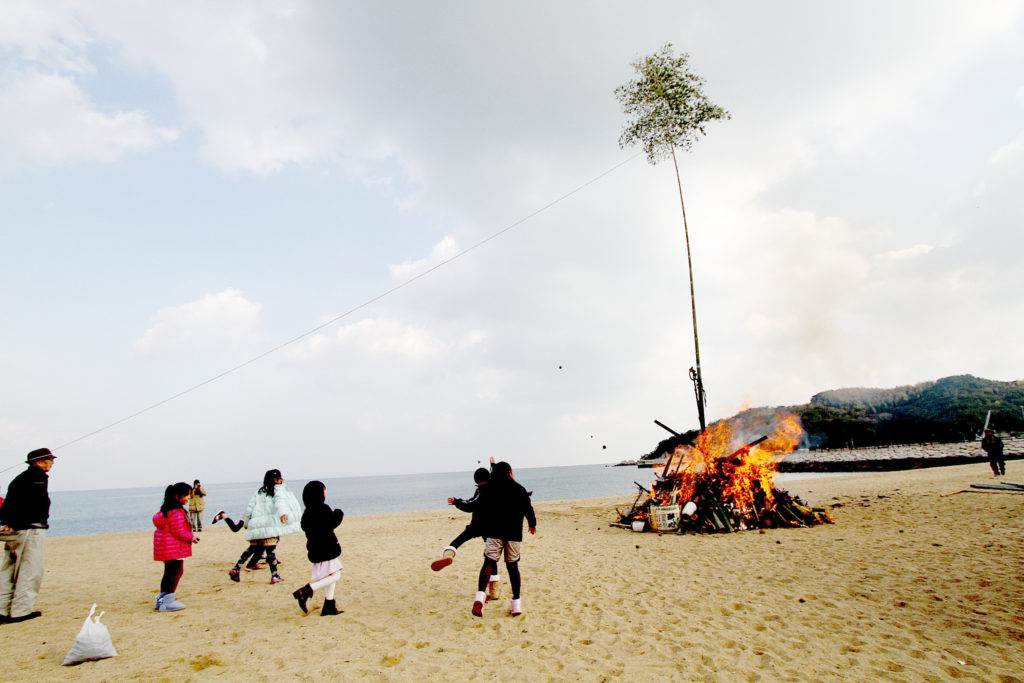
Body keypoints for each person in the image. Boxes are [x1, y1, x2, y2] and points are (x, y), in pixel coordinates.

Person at [469, 461, 536, 618]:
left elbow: (478, 506)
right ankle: (516, 604)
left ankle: (479, 598)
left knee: (489, 563)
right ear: (510, 472)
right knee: (513, 567)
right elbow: (528, 508)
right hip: (513, 533)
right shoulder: (519, 489)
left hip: (494, 532)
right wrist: (532, 524)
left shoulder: (490, 488)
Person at [0, 448, 56, 624]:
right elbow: (36, 504)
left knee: (9, 569)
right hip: (30, 530)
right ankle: (20, 611)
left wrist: (7, 522)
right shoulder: (37, 478)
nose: (52, 462)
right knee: (30, 569)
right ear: (38, 462)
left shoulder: (20, 479)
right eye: (49, 459)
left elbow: (10, 502)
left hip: (16, 530)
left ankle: (1, 610)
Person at [432, 467, 501, 600]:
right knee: (491, 558)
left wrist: (456, 502)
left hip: (476, 526)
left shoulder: (481, 491)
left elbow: (470, 505)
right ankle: (494, 591)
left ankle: (448, 556)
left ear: (476, 480)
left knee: (456, 542)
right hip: (491, 528)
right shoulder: (496, 488)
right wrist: (493, 465)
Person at [226, 469, 301, 585]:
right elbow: (280, 501)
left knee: (252, 549)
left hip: (257, 526)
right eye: (280, 478)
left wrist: (246, 523)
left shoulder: (259, 492)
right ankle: (274, 576)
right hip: (269, 526)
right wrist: (283, 513)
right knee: (271, 552)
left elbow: (249, 508)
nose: (282, 480)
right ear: (276, 479)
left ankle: (236, 568)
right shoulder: (278, 489)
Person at [291, 481, 344, 616]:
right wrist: (339, 513)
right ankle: (307, 590)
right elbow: (333, 522)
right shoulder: (323, 509)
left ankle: (329, 605)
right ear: (319, 494)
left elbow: (305, 526)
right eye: (324, 491)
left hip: (316, 549)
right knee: (336, 575)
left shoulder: (307, 512)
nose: (325, 493)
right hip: (327, 548)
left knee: (331, 574)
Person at [153, 482, 200, 611]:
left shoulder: (166, 511)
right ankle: (167, 602)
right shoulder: (176, 512)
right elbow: (178, 531)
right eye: (187, 495)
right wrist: (191, 537)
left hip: (167, 548)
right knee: (176, 572)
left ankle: (161, 600)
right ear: (177, 496)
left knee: (168, 573)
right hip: (174, 548)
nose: (189, 498)